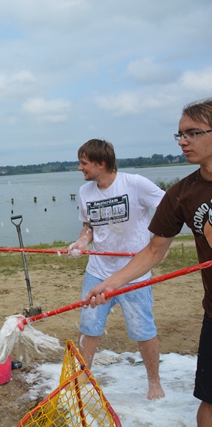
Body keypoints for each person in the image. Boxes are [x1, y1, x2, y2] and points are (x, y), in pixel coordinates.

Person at [85, 98, 212, 426]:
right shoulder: (182, 193)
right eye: (180, 134)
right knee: (209, 403)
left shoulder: (136, 183)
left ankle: (154, 380)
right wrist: (110, 284)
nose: (182, 141)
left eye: (193, 133)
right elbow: (154, 250)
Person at [67, 138, 166, 401]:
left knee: (142, 329)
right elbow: (88, 227)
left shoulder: (135, 183)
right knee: (89, 326)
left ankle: (154, 382)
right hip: (98, 271)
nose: (79, 168)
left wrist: (158, 241)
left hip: (135, 272)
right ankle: (82, 379)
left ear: (101, 163)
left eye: (84, 163)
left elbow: (169, 208)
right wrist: (81, 242)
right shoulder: (85, 192)